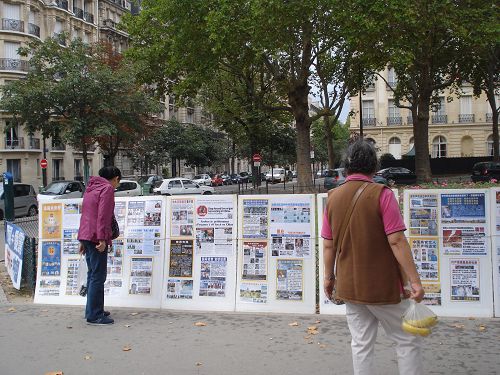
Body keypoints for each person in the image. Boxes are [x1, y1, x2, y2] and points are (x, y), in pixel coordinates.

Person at [322, 139, 425, 375]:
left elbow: (328, 246)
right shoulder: (383, 194)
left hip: (349, 285)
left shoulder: (333, 197)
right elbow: (397, 241)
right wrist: (415, 281)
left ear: (347, 166)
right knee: (407, 340)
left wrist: (329, 278)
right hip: (383, 287)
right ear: (373, 166)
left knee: (360, 343)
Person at [78, 166, 121, 325]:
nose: (117, 185)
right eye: (118, 182)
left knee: (92, 274)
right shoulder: (107, 189)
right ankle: (95, 315)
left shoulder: (91, 188)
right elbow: (103, 216)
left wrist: (82, 239)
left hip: (87, 235)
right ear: (116, 178)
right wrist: (103, 239)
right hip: (96, 237)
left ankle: (93, 309)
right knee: (98, 276)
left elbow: (86, 215)